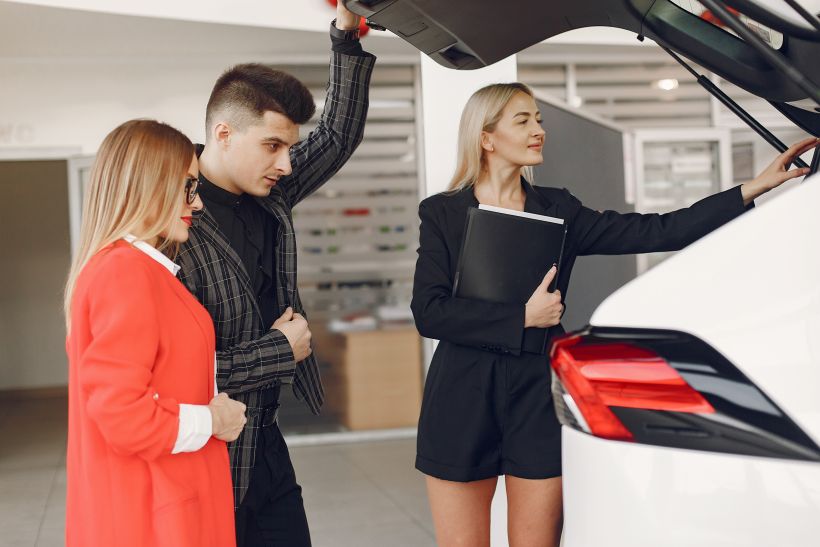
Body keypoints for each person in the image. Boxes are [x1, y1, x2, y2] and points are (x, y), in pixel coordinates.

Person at [411, 82, 818, 547]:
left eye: (539, 119)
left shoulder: (559, 209)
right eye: (523, 121)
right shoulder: (442, 213)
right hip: (462, 394)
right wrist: (520, 317)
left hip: (536, 396)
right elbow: (429, 312)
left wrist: (752, 188)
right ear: (486, 138)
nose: (538, 130)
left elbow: (661, 229)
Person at [174, 3, 375, 545]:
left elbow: (336, 135)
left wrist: (346, 37)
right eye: (272, 146)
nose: (286, 163)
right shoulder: (170, 220)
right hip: (205, 447)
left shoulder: (272, 190)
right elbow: (172, 378)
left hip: (267, 437)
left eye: (289, 147)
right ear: (222, 134)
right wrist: (280, 351)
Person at [64, 119, 248, 547]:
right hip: (154, 519)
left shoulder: (133, 269)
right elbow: (123, 415)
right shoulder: (124, 272)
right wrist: (213, 420)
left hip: (159, 507)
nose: (197, 204)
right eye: (189, 186)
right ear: (151, 183)